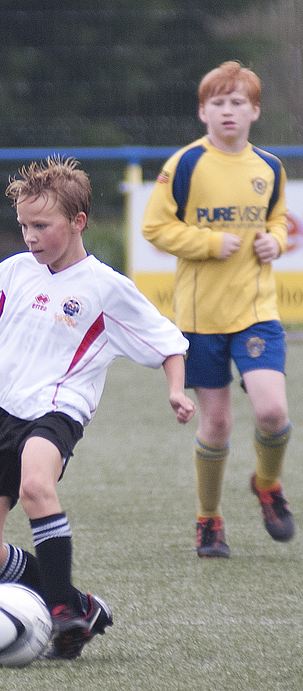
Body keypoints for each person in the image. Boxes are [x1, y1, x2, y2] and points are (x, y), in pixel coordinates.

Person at [0, 157, 195, 659]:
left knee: (37, 484)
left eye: (42, 226)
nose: (30, 237)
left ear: (78, 222)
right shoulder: (16, 271)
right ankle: (78, 605)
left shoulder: (105, 288)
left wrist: (176, 391)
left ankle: (59, 613)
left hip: (57, 412)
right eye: (24, 226)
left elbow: (169, 342)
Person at [142, 61, 295, 559]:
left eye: (237, 103)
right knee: (218, 425)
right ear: (202, 111)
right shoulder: (185, 164)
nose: (227, 111)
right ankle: (209, 520)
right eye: (218, 102)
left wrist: (275, 240)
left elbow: (277, 220)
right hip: (199, 319)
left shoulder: (269, 167)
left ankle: (266, 484)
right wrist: (208, 242)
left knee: (273, 411)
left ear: (254, 111)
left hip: (256, 312)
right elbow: (156, 228)